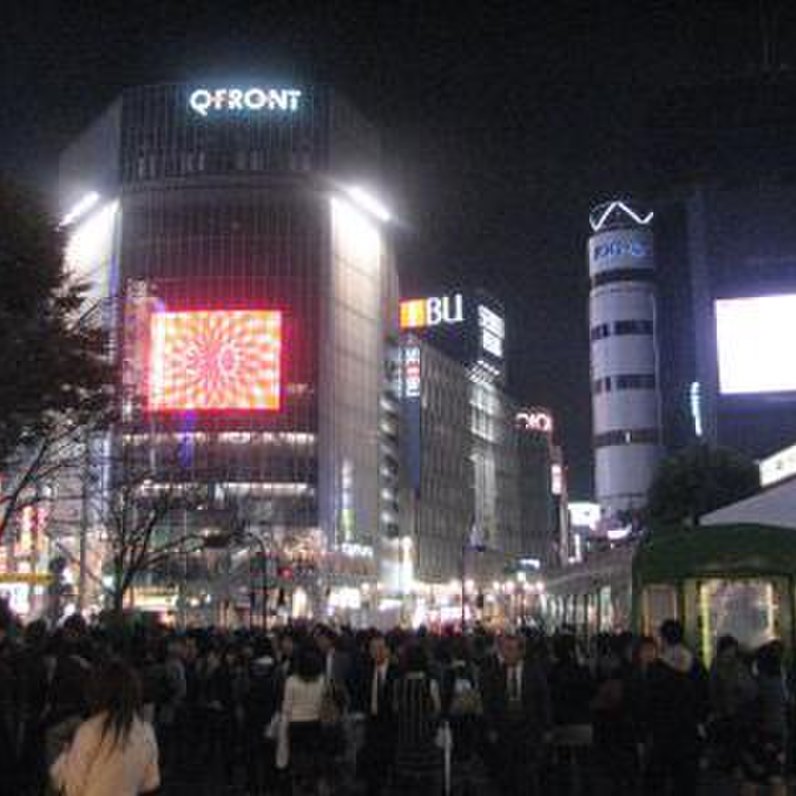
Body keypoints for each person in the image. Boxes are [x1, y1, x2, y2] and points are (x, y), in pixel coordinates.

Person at [50, 658, 160, 796]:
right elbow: (150, 783)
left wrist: (65, 759)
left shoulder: (90, 731)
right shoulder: (146, 732)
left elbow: (73, 789)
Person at [480, 633, 552, 796]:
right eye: (505, 649)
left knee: (528, 773)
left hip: (528, 729)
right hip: (505, 730)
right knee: (507, 773)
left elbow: (543, 699)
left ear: (521, 652)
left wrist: (547, 727)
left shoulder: (533, 672)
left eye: (511, 650)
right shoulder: (496, 673)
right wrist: (491, 727)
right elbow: (490, 701)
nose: (506, 654)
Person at [644, 619, 708, 796]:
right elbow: (705, 700)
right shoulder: (697, 666)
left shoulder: (656, 669)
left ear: (663, 639)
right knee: (686, 783)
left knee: (658, 781)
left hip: (662, 734)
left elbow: (649, 703)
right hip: (690, 732)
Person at [739, 641, 789, 796]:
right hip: (778, 733)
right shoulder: (780, 683)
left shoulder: (757, 683)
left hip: (758, 735)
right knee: (776, 777)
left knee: (752, 778)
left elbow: (746, 700)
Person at [391, 643, 442, 793]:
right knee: (426, 781)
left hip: (405, 737)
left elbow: (395, 709)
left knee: (406, 780)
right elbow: (437, 709)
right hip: (425, 737)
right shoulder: (430, 683)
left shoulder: (398, 684)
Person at [282, 642, 327, 794]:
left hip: (296, 726)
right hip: (315, 724)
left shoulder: (291, 681)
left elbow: (286, 708)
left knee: (297, 764)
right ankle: (313, 787)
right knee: (314, 762)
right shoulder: (321, 680)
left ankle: (299, 788)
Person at [358, 632, 399, 795]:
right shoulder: (366, 670)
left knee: (388, 761)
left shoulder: (396, 671)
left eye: (381, 648)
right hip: (372, 723)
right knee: (372, 763)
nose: (377, 652)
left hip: (390, 724)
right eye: (373, 649)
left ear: (388, 650)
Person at [709, 634, 756, 772]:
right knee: (731, 740)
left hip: (736, 711)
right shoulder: (730, 665)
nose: (731, 652)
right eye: (729, 649)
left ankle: (733, 765)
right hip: (729, 711)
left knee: (734, 741)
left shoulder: (733, 665)